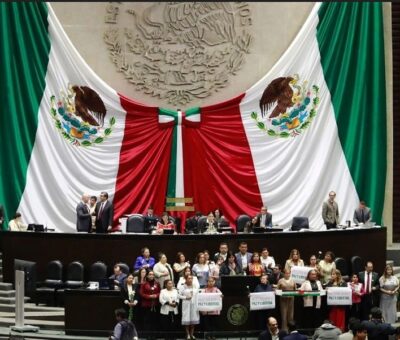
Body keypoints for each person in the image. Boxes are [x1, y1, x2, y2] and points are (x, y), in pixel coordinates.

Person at [139, 270, 161, 338]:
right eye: (150, 274)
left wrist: (156, 295)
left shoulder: (157, 283)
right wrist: (149, 296)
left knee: (154, 320)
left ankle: (154, 335)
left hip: (155, 305)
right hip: (146, 305)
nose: (151, 276)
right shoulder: (144, 284)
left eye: (153, 274)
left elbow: (160, 292)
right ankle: (148, 335)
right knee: (147, 320)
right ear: (147, 275)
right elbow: (141, 293)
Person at [178, 274, 200, 340]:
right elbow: (178, 295)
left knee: (193, 320)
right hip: (186, 305)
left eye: (191, 278)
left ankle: (192, 334)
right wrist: (185, 297)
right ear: (186, 279)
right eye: (189, 278)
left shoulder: (195, 286)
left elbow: (198, 294)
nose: (190, 280)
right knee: (187, 320)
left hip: (194, 305)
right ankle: (187, 334)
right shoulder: (182, 287)